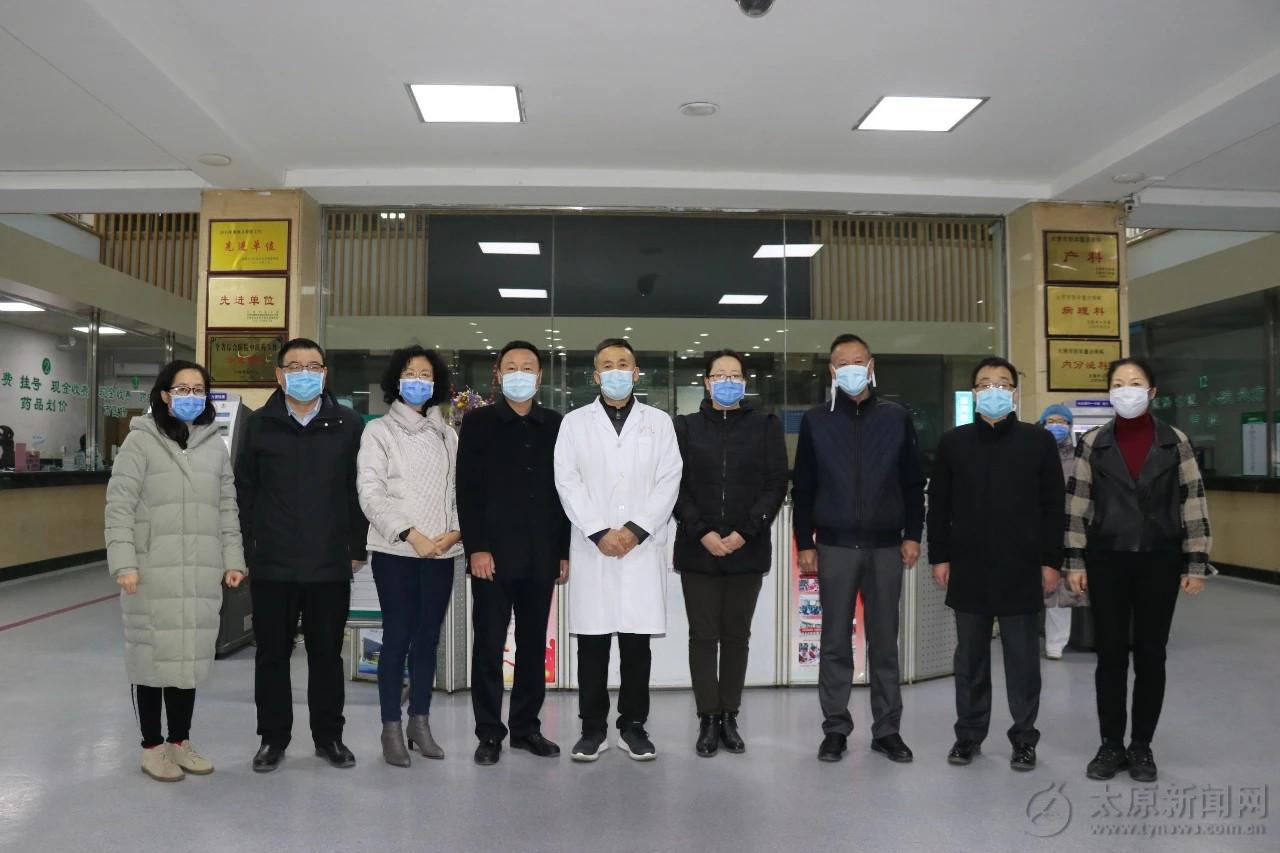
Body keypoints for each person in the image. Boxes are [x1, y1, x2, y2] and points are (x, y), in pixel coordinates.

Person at [1065, 357, 1212, 784]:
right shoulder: (1093, 442)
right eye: (1118, 383)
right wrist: (1075, 560)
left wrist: (1196, 562)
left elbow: (1193, 502)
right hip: (1107, 558)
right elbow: (1077, 506)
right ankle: (1111, 744)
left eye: (1135, 382)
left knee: (1151, 654)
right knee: (1110, 655)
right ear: (1109, 392)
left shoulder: (1175, 442)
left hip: (1158, 559)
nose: (1126, 390)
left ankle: (1142, 745)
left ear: (1151, 392)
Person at [104, 360, 246, 782]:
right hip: (152, 571)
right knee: (151, 659)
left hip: (201, 569)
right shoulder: (140, 441)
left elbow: (227, 507)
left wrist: (233, 559)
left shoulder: (213, 445)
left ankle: (180, 742)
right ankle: (152, 747)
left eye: (198, 389)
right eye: (181, 389)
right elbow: (119, 507)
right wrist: (124, 563)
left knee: (188, 659)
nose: (190, 396)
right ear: (165, 395)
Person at [236, 338, 368, 773]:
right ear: (279, 375)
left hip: (329, 562)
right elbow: (244, 492)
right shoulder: (259, 425)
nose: (304, 373)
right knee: (271, 655)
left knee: (326, 656)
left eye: (313, 366)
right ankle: (272, 739)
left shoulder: (348, 424)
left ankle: (329, 737)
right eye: (295, 366)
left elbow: (358, 491)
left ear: (325, 373)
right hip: (272, 562)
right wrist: (246, 550)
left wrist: (355, 547)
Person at [792, 334, 925, 764]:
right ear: (832, 372)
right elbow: (804, 485)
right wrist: (804, 542)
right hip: (834, 546)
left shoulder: (896, 417)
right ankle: (835, 728)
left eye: (858, 361)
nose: (851, 369)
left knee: (885, 642)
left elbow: (912, 482)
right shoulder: (817, 421)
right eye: (842, 363)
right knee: (834, 641)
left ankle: (887, 730)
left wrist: (913, 534)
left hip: (886, 546)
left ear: (871, 366)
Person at [928, 357, 1065, 772]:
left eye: (1002, 384)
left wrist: (1051, 562)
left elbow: (1053, 507)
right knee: (969, 659)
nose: (993, 390)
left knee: (1023, 661)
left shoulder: (1038, 442)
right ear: (974, 394)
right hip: (968, 566)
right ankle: (968, 735)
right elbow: (939, 507)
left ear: (1015, 394)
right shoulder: (953, 443)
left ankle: (1024, 739)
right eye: (985, 384)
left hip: (1022, 566)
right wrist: (940, 556)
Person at [554, 338, 682, 762]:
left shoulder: (659, 423)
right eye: (607, 365)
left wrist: (635, 530)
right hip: (593, 547)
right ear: (595, 375)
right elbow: (566, 480)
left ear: (636, 372)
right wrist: (598, 532)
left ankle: (633, 726)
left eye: (623, 364)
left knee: (636, 644)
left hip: (640, 548)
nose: (616, 371)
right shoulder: (574, 423)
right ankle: (592, 728)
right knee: (592, 644)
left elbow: (669, 480)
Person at [457, 341, 569, 766]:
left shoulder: (555, 424)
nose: (519, 374)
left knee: (532, 645)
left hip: (541, 555)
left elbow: (564, 494)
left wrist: (562, 552)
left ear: (539, 377)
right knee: (488, 646)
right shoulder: (478, 422)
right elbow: (468, 490)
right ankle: (489, 732)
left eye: (527, 367)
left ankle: (526, 729)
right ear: (499, 374)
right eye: (511, 367)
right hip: (493, 557)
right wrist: (477, 547)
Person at [673, 349, 787, 757]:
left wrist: (745, 532)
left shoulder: (765, 426)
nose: (727, 381)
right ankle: (708, 717)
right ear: (706, 382)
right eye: (719, 375)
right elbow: (674, 485)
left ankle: (729, 715)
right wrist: (701, 531)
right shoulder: (685, 427)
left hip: (746, 548)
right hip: (698, 548)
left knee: (737, 636)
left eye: (734, 375)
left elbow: (776, 484)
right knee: (703, 636)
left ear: (745, 382)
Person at [356, 345, 462, 767]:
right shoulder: (378, 432)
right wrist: (411, 535)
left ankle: (420, 720)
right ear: (396, 381)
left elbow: (457, 491)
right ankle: (391, 729)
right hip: (396, 550)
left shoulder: (447, 434)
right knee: (398, 636)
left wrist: (454, 533)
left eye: (426, 375)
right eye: (410, 374)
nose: (418, 382)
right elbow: (370, 492)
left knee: (428, 639)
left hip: (442, 551)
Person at [1039, 404, 1088, 659]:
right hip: (1039, 526)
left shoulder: (1079, 457)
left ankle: (1056, 643)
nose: (1056, 425)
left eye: (1062, 421)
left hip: (1069, 527)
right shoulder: (1034, 452)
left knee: (1063, 588)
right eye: (1051, 420)